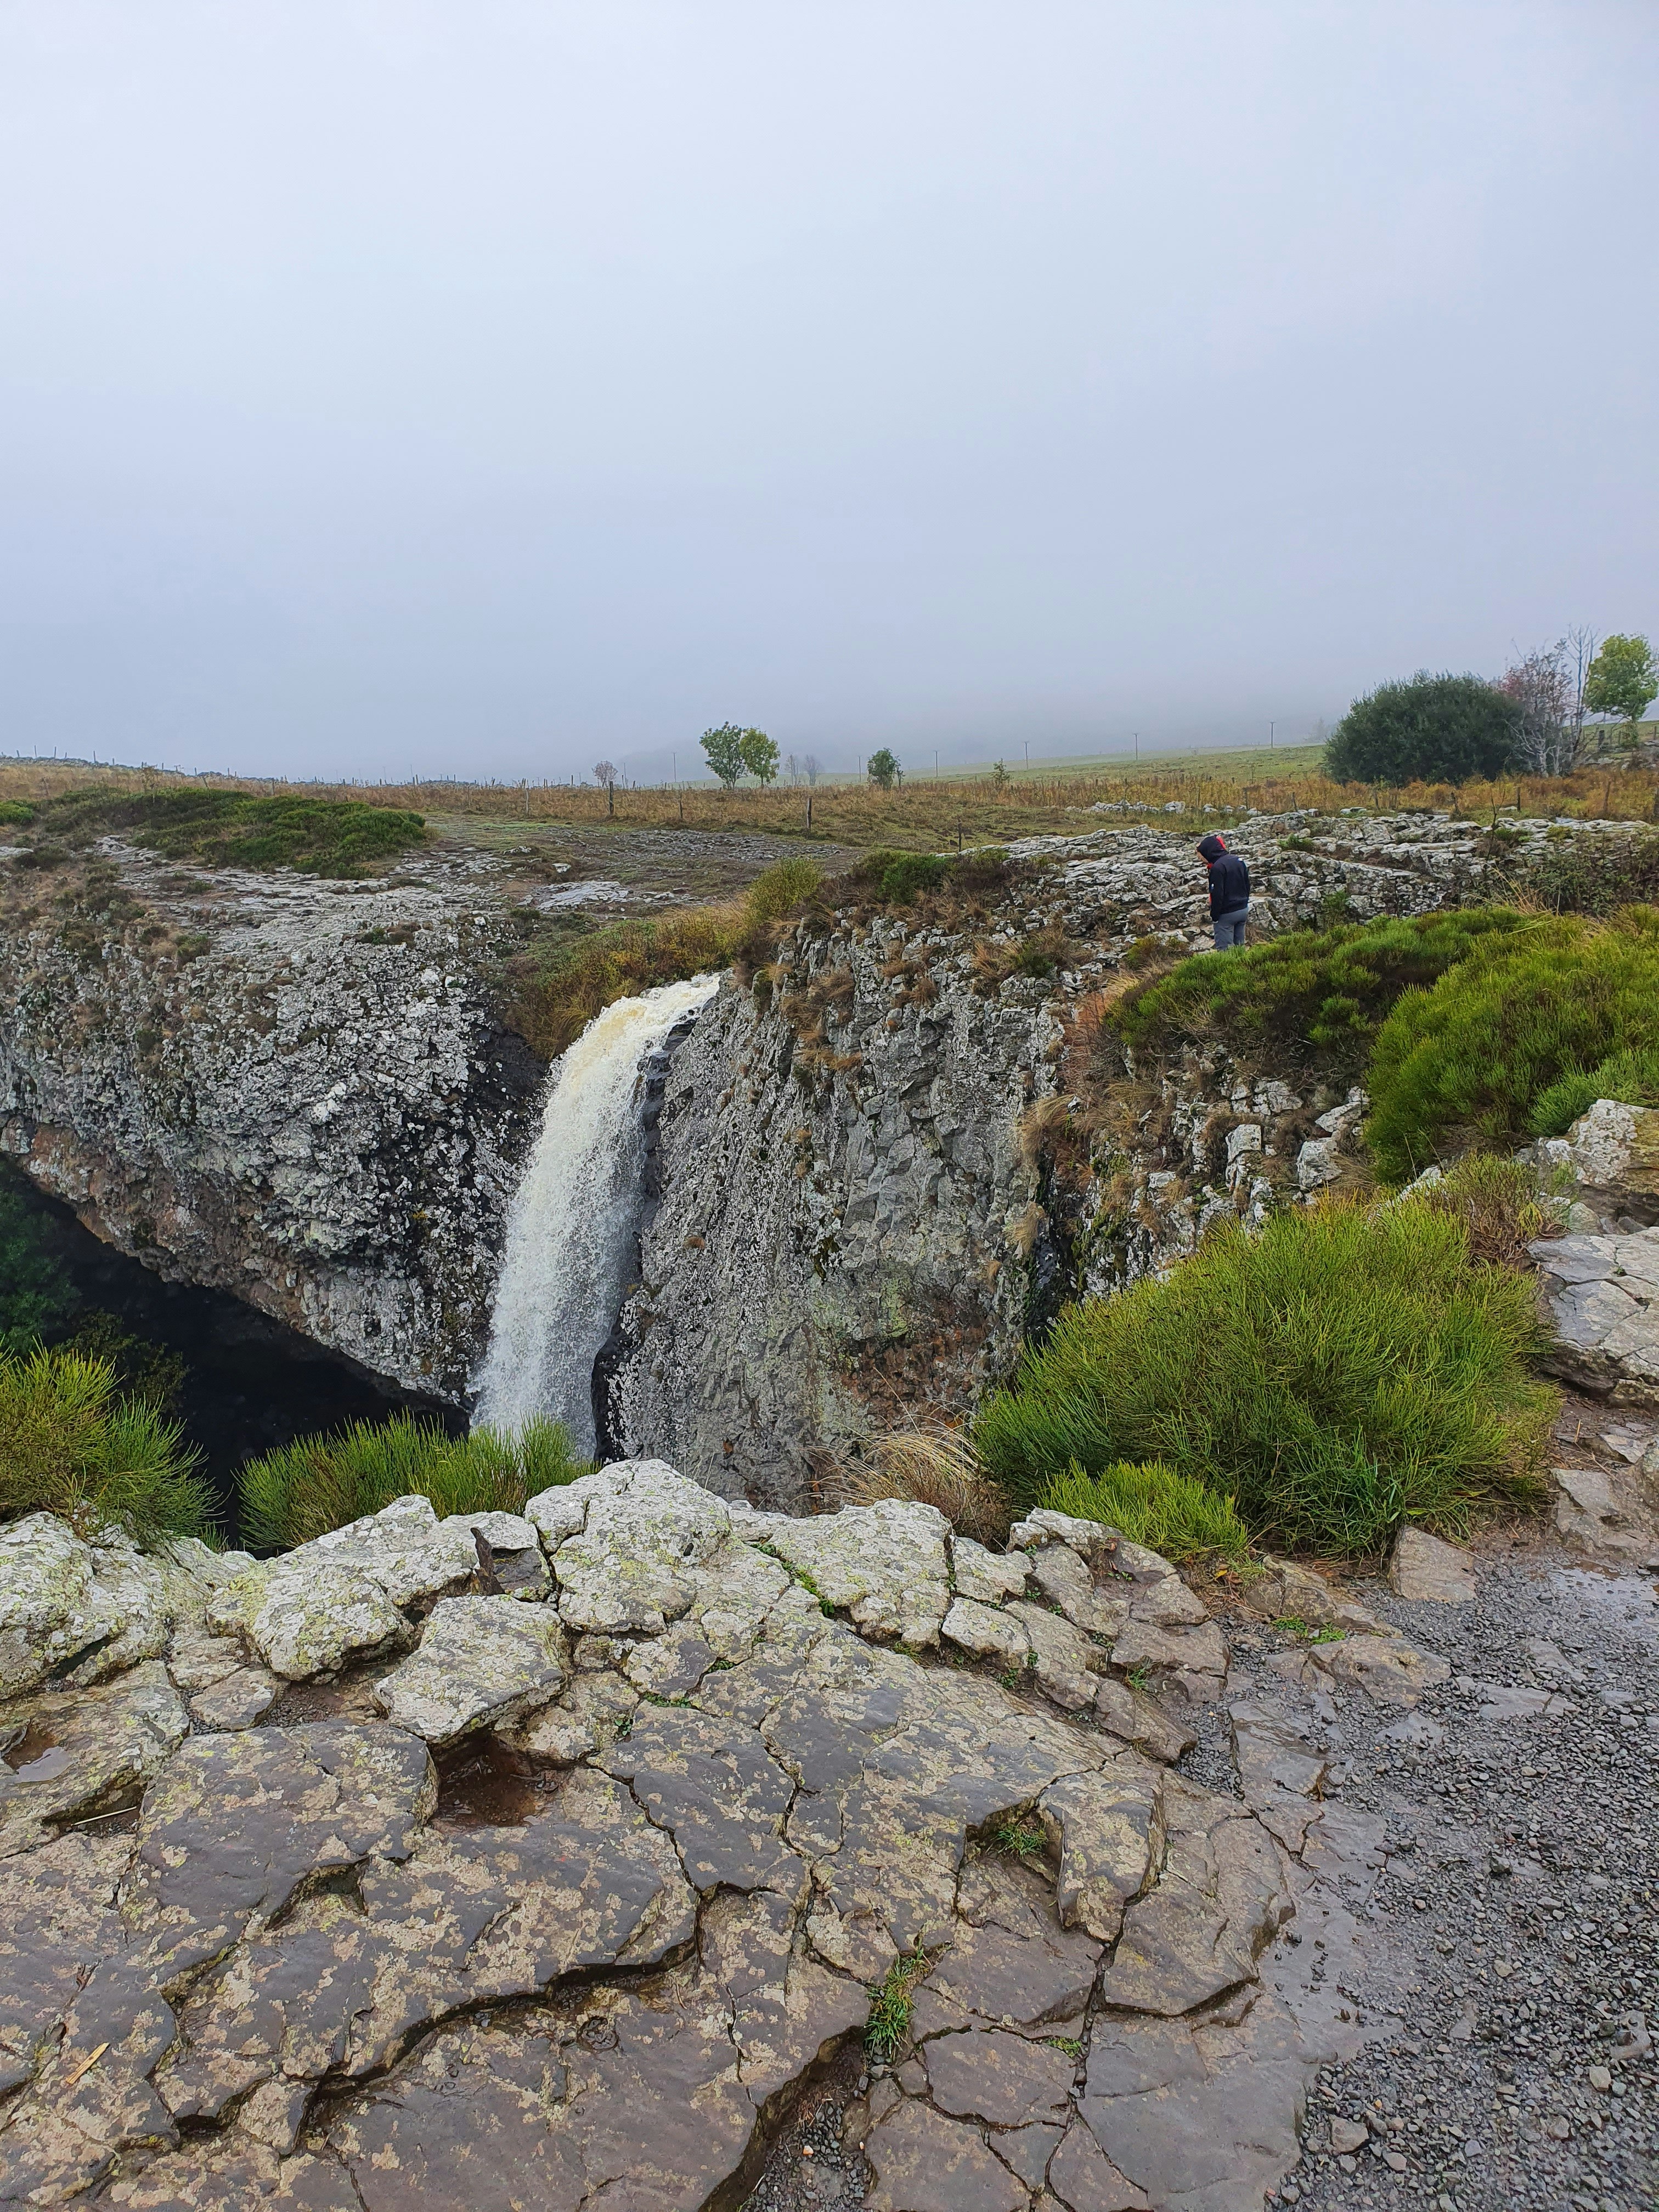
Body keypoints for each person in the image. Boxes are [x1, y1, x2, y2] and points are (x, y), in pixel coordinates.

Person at [1197, 832, 1250, 949]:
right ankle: (1243, 966)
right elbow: (1247, 884)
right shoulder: (1238, 860)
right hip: (1243, 909)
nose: (1202, 860)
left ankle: (1229, 967)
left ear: (1208, 852)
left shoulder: (1217, 868)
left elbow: (1217, 894)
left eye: (1201, 856)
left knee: (1225, 951)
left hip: (1227, 914)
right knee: (1239, 948)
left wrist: (1215, 916)